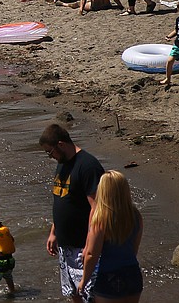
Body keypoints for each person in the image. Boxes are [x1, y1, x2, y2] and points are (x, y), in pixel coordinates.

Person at [40, 123, 104, 301]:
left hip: (82, 246)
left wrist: (91, 244)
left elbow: (97, 209)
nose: (50, 156)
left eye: (50, 152)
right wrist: (54, 232)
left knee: (89, 295)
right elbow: (62, 199)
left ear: (61, 144)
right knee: (73, 293)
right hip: (65, 246)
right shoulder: (62, 164)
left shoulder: (88, 166)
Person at [79, 171, 144, 302]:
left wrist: (84, 281)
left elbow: (92, 254)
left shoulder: (101, 219)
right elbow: (134, 249)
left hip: (109, 276)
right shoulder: (135, 215)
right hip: (133, 273)